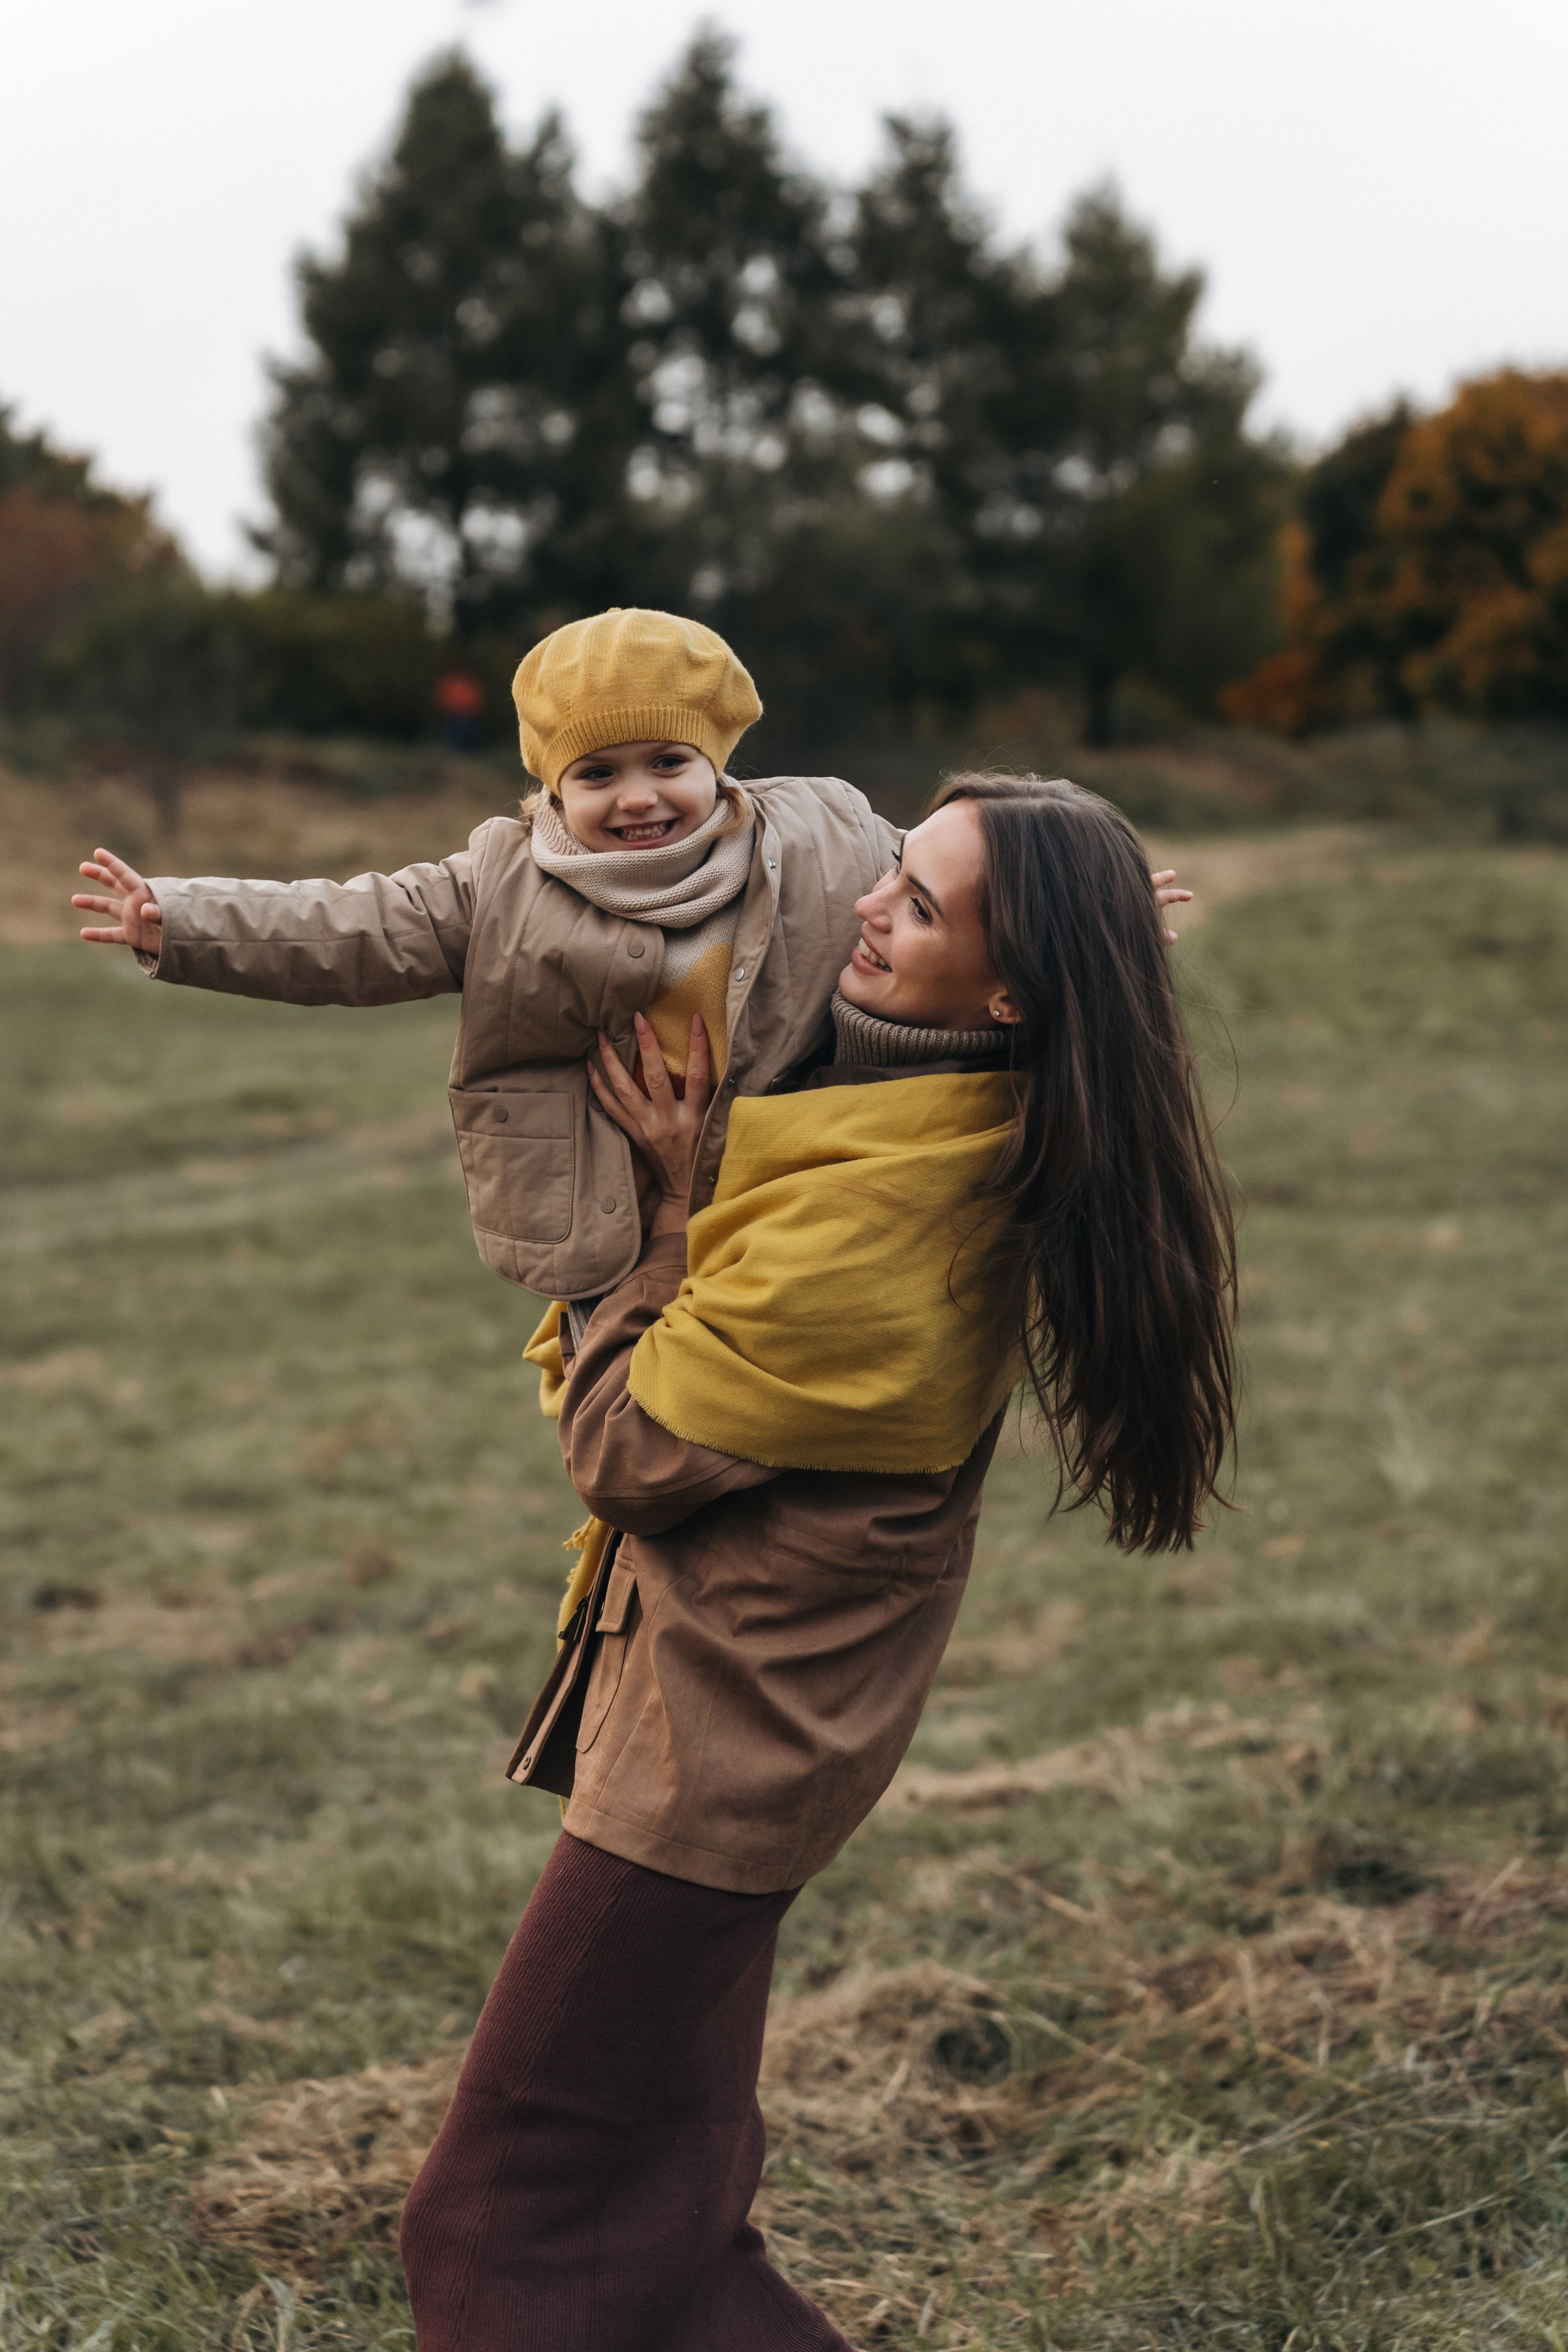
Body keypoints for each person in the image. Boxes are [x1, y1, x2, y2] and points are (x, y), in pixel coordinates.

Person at [398, 774, 1232, 2350]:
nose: (864, 904)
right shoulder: (952, 1094)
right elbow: (809, 969)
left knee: (493, 2220)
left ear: (1007, 992)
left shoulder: (894, 1236)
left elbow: (627, 1452)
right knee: (664, 2236)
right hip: (743, 1739)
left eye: (914, 904)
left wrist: (654, 1223)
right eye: (892, 868)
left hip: (716, 1767)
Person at [69, 608, 902, 1308]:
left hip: (804, 1207)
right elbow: (353, 927)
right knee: (646, 1454)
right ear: (553, 790)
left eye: (668, 762)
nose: (640, 796)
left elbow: (979, 869)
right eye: (598, 773)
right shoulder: (505, 888)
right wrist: (184, 920)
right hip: (628, 1225)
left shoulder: (825, 840)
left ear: (713, 761)